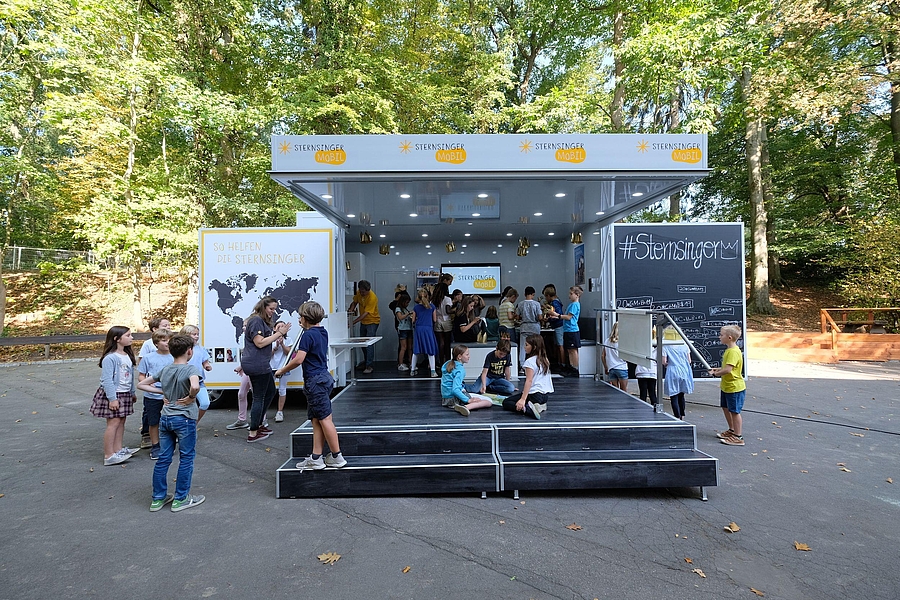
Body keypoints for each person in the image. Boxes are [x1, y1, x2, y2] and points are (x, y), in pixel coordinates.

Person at [137, 333, 205, 512]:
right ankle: (181, 498)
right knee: (186, 458)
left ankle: (158, 498)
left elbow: (141, 384)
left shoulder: (166, 369)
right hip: (185, 418)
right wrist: (191, 397)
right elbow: (195, 386)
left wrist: (163, 393)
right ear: (189, 351)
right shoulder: (191, 369)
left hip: (166, 418)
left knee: (163, 458)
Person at [276, 301, 347, 470]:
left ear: (305, 318)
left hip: (314, 381)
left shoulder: (307, 336)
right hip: (324, 378)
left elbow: (299, 359)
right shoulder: (323, 332)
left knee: (325, 419)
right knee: (316, 419)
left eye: (300, 316)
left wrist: (281, 370)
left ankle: (337, 456)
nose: (299, 319)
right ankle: (316, 457)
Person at [241, 296, 291, 443]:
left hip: (261, 363)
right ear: (263, 307)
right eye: (271, 309)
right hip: (257, 364)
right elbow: (260, 343)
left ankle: (259, 425)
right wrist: (279, 333)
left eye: (275, 309)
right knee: (259, 396)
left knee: (270, 391)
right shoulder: (256, 321)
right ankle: (253, 432)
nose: (273, 312)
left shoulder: (260, 321)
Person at [91, 326, 138, 466]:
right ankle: (109, 455)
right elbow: (107, 380)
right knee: (113, 423)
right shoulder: (110, 358)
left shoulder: (127, 355)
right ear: (117, 339)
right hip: (114, 394)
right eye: (128, 335)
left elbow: (130, 377)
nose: (131, 337)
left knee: (121, 421)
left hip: (125, 393)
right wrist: (112, 399)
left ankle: (118, 449)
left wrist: (132, 392)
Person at [138, 329, 174, 460]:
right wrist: (148, 384)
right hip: (152, 395)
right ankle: (155, 445)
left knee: (172, 420)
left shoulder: (175, 357)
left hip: (171, 395)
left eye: (169, 340)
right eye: (164, 340)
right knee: (153, 421)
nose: (167, 343)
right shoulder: (148, 358)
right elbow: (141, 376)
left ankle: (169, 443)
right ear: (156, 343)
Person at [709, 325, 746, 446]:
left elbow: (728, 370)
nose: (719, 337)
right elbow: (727, 367)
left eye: (721, 335)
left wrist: (716, 374)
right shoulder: (729, 350)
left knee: (734, 411)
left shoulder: (733, 352)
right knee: (726, 408)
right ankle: (732, 430)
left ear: (729, 338)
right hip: (726, 386)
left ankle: (738, 436)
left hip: (734, 387)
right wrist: (718, 369)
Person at [502, 334, 553, 420]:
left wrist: (523, 399)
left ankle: (527, 409)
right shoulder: (545, 360)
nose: (524, 347)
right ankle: (539, 406)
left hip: (534, 395)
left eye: (526, 345)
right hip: (544, 396)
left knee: (506, 402)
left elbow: (529, 381)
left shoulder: (530, 362)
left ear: (534, 347)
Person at [440, 345, 494, 417]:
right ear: (459, 356)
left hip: (446, 399)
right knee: (489, 401)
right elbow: (455, 390)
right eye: (467, 354)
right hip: (455, 399)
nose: (469, 356)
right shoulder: (460, 370)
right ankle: (466, 407)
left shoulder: (448, 363)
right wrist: (468, 400)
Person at [179, 325, 213, 422]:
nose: (197, 336)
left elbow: (205, 361)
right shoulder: (180, 348)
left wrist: (207, 366)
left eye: (198, 334)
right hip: (183, 381)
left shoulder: (200, 348)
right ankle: (183, 423)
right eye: (194, 334)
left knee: (205, 403)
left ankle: (194, 422)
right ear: (185, 335)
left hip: (199, 381)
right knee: (184, 404)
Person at [549, 285, 583, 377]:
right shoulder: (572, 305)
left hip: (572, 330)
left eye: (571, 294)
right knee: (569, 350)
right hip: (568, 329)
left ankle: (575, 369)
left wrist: (557, 315)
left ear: (577, 295)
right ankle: (571, 367)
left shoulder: (575, 305)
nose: (569, 296)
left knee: (573, 350)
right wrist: (556, 317)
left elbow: (568, 317)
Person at [348, 279, 380, 374]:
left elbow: (365, 314)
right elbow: (355, 302)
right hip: (364, 322)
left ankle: (369, 366)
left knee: (369, 344)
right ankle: (366, 362)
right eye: (361, 291)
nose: (362, 293)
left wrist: (353, 322)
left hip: (372, 321)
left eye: (364, 292)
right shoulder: (359, 293)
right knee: (362, 343)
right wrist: (351, 309)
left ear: (368, 290)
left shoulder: (372, 298)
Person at [663, 330, 695, 420]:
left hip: (672, 370)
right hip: (684, 370)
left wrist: (667, 364)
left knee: (673, 395)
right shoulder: (684, 345)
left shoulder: (665, 346)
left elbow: (664, 361)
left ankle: (676, 416)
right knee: (681, 395)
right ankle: (682, 415)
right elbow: (689, 360)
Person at [410, 288, 439, 377]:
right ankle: (433, 371)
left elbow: (413, 320)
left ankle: (412, 370)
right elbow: (435, 320)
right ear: (428, 296)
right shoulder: (432, 307)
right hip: (428, 329)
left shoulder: (416, 308)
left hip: (419, 329)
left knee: (416, 350)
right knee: (430, 350)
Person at [516, 286, 542, 370]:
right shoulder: (536, 304)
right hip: (535, 327)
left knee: (523, 346)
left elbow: (517, 317)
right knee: (536, 345)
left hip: (524, 327)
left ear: (524, 294)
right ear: (533, 294)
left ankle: (522, 365)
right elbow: (540, 317)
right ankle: (537, 363)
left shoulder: (520, 304)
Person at [271, 322, 292, 423]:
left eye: (283, 326)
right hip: (271, 368)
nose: (281, 328)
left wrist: (282, 344)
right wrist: (275, 347)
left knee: (282, 389)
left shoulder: (288, 339)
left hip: (283, 368)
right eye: (279, 326)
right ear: (274, 329)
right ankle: (263, 412)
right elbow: (267, 355)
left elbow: (289, 353)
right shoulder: (269, 339)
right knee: (268, 390)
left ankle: (280, 412)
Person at [601, 321, 628, 391]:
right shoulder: (623, 341)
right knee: (624, 391)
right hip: (622, 368)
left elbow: (603, 355)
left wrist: (606, 367)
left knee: (615, 391)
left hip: (611, 368)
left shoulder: (607, 341)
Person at [542, 285, 565, 369]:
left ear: (548, 296)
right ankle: (560, 363)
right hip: (557, 325)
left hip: (558, 325)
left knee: (560, 346)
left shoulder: (555, 303)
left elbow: (557, 315)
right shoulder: (557, 301)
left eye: (546, 297)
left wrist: (548, 319)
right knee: (558, 345)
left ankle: (562, 364)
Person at [431, 281, 453, 364]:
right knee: (447, 342)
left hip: (437, 320)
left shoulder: (433, 300)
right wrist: (455, 310)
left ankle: (440, 362)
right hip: (446, 321)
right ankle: (447, 361)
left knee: (441, 342)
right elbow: (448, 311)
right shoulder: (447, 299)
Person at [394, 292, 413, 371]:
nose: (407, 304)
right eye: (406, 302)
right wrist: (408, 314)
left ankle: (411, 363)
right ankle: (400, 364)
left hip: (409, 328)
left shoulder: (405, 309)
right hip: (402, 329)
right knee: (403, 347)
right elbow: (400, 317)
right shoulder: (398, 309)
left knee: (410, 347)